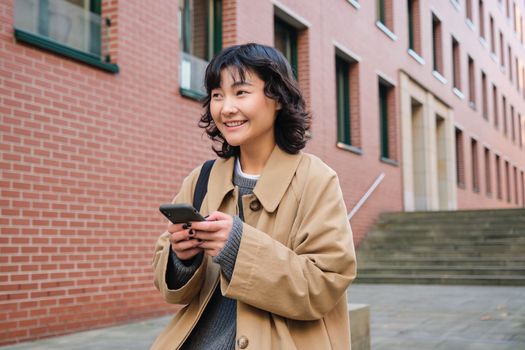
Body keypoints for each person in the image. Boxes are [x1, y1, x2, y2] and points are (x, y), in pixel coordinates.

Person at [151, 43, 356, 350]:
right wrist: (183, 259)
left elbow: (326, 284)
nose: (226, 107)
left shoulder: (316, 178)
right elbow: (172, 291)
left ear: (277, 99)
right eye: (217, 95)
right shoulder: (202, 178)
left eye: (241, 92)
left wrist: (237, 248)